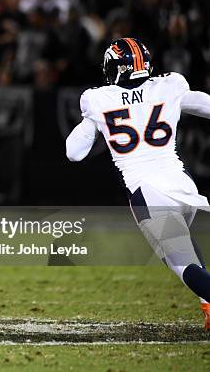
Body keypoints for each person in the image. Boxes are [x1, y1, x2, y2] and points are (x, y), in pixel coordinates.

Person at [66, 37, 210, 330]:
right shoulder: (169, 85)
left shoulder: (98, 99)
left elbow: (74, 153)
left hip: (149, 194)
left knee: (182, 264)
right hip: (182, 185)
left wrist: (93, 121)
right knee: (183, 249)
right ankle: (208, 306)